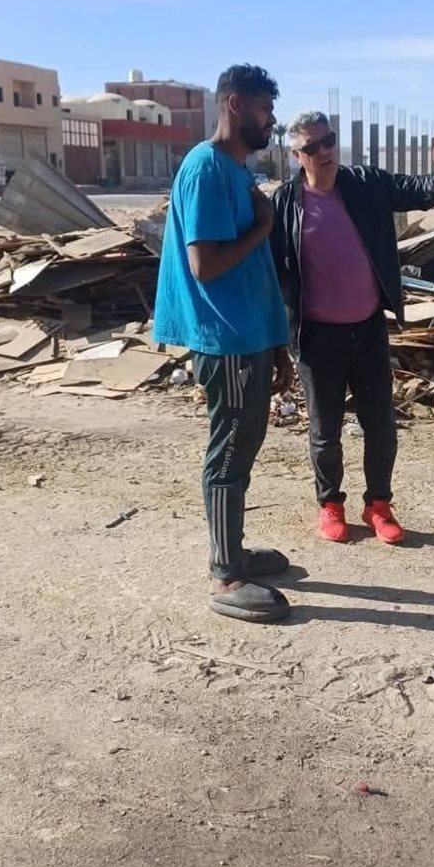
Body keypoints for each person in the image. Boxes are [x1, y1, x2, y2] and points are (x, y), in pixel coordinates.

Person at [270, 112, 434, 544]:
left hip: (368, 329)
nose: (325, 151)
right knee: (325, 431)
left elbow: (415, 190)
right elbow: (269, 271)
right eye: (313, 147)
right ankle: (330, 504)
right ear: (296, 155)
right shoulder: (284, 204)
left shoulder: (365, 183)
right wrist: (275, 339)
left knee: (380, 426)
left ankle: (378, 504)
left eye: (329, 141)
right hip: (317, 338)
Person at [152, 64, 294, 623]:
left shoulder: (235, 171)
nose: (271, 120)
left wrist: (277, 344)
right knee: (229, 454)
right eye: (264, 109)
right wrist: (263, 226)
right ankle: (226, 574)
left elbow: (255, 270)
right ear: (235, 104)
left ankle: (233, 550)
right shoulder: (206, 168)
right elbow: (205, 264)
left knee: (244, 447)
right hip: (226, 340)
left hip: (250, 337)